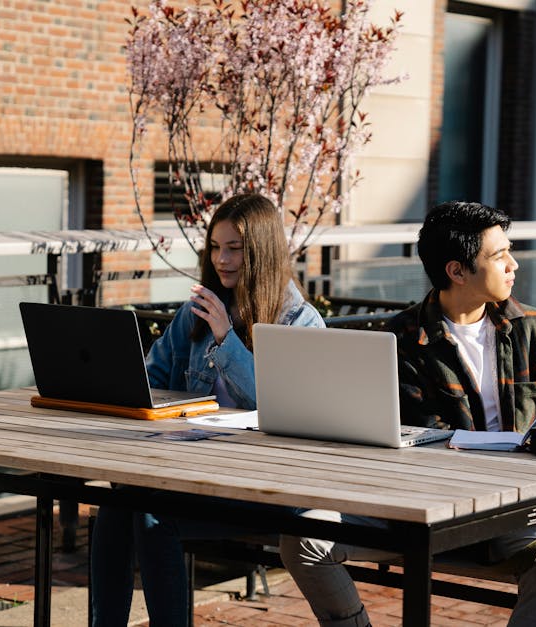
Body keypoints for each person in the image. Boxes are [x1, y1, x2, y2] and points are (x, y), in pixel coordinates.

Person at [279, 200, 536, 627]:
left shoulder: (533, 327)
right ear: (457, 271)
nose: (513, 265)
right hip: (421, 505)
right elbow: (428, 438)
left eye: (509, 251)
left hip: (511, 508)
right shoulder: (403, 340)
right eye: (499, 256)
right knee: (304, 537)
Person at [90, 193, 325, 627]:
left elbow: (284, 409)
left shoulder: (300, 322)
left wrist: (225, 339)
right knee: (116, 503)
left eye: (234, 248)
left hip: (267, 485)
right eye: (215, 247)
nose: (221, 259)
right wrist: (110, 377)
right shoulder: (198, 311)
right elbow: (152, 379)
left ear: (262, 252)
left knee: (151, 514)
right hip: (198, 470)